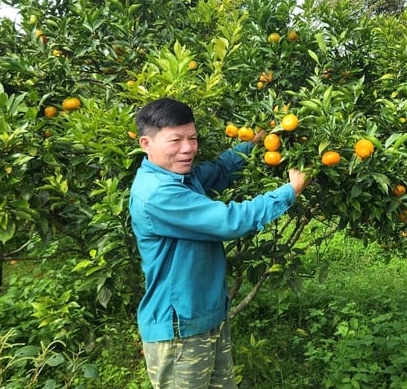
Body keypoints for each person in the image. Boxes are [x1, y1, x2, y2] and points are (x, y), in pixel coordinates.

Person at [129, 97, 310, 389]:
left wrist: (257, 142)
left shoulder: (182, 178)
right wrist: (290, 191)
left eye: (192, 138)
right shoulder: (157, 194)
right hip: (180, 329)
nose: (187, 148)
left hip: (206, 316)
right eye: (175, 140)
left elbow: (222, 169)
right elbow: (231, 221)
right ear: (146, 144)